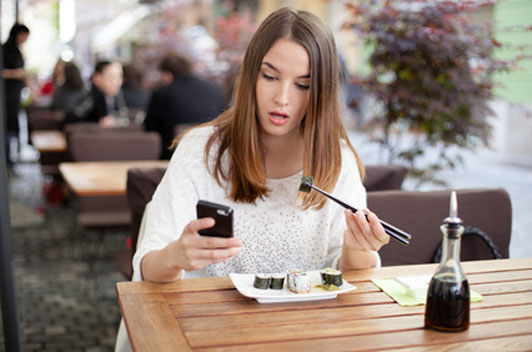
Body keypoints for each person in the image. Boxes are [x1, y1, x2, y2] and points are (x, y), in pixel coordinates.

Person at [115, 6, 389, 350]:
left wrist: (357, 248)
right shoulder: (201, 152)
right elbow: (149, 267)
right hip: (207, 336)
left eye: (303, 84)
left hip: (308, 337)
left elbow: (354, 277)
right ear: (250, 76)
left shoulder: (338, 160)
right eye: (270, 77)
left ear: (321, 91)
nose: (283, 98)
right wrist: (175, 256)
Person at [143, 53, 224, 159]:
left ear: (168, 75)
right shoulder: (214, 90)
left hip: (173, 156)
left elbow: (150, 128)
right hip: (210, 154)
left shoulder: (162, 93)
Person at [62, 60, 127, 128]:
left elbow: (124, 115)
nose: (116, 82)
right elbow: (71, 120)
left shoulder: (117, 94)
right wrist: (97, 124)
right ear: (96, 78)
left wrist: (114, 121)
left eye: (120, 76)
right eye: (111, 77)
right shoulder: (90, 96)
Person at [2, 23, 30, 170]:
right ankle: (7, 161)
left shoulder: (17, 50)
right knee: (7, 129)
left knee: (13, 128)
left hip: (14, 96)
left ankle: (10, 159)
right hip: (7, 97)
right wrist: (16, 73)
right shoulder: (5, 49)